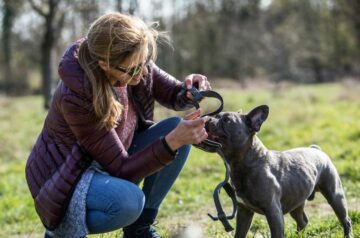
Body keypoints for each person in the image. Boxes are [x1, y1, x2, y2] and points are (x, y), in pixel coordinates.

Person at [25, 12, 211, 238]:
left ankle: (138, 231)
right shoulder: (76, 95)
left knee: (176, 128)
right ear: (105, 64)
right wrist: (172, 141)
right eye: (134, 69)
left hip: (113, 158)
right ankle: (60, 232)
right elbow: (122, 169)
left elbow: (173, 93)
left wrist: (191, 89)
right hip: (70, 176)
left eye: (145, 62)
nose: (142, 73)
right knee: (130, 202)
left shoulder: (133, 62)